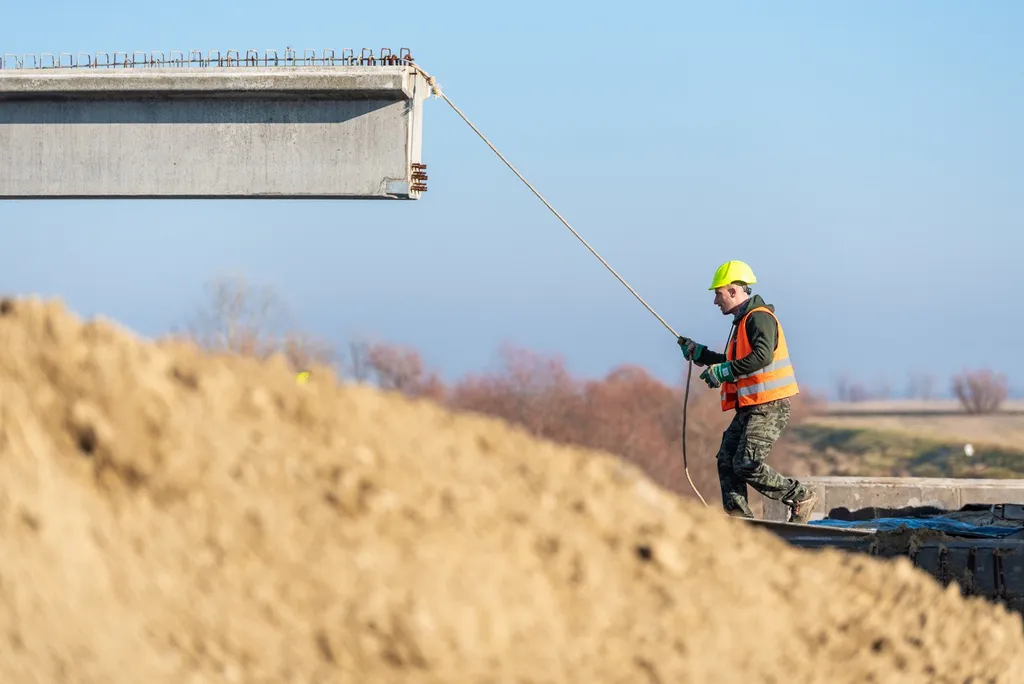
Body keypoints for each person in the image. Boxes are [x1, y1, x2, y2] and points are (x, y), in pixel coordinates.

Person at [677, 260, 819, 524]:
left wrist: (724, 372)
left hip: (769, 405)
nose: (715, 301)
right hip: (752, 405)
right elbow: (734, 360)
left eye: (718, 293)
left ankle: (800, 496)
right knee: (726, 461)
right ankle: (739, 520)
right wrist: (702, 355)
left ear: (733, 290)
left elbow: (761, 357)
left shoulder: (759, 317)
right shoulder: (742, 322)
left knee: (746, 464)